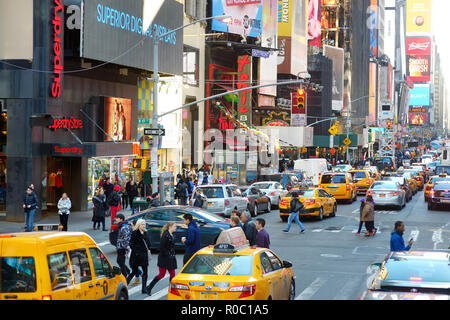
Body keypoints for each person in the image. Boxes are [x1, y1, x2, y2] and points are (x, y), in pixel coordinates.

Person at [146, 222, 178, 295]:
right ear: (170, 227)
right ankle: (149, 287)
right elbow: (162, 248)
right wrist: (169, 255)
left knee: (172, 275)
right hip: (164, 259)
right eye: (174, 226)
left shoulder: (171, 235)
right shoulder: (165, 235)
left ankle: (172, 291)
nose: (176, 227)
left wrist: (171, 255)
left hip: (170, 258)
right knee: (161, 275)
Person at [126, 219, 151, 294]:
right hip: (136, 256)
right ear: (139, 225)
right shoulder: (135, 233)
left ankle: (144, 288)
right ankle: (125, 285)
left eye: (144, 224)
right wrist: (137, 252)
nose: (144, 225)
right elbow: (131, 244)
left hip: (144, 255)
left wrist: (148, 248)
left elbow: (148, 243)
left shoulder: (146, 232)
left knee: (145, 272)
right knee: (134, 272)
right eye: (142, 224)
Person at [115, 213, 132, 278]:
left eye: (117, 218)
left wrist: (126, 248)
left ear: (121, 219)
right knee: (119, 261)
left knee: (120, 262)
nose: (116, 219)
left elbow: (126, 238)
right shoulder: (121, 226)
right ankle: (127, 271)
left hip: (122, 247)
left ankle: (125, 275)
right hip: (120, 247)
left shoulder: (124, 227)